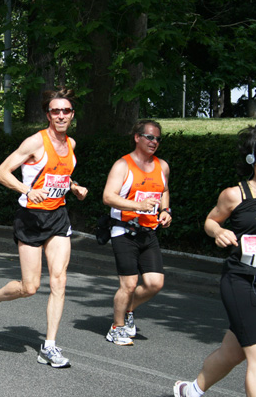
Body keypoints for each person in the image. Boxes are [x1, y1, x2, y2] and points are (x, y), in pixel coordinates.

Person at [0, 87, 88, 368]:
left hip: (58, 218)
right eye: (55, 111)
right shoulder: (35, 143)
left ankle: (49, 346)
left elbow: (59, 175)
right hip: (31, 219)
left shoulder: (71, 144)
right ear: (48, 115)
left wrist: (74, 187)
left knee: (59, 280)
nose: (61, 115)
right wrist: (26, 189)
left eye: (66, 111)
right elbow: (1, 172)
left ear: (72, 114)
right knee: (30, 286)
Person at [174, 122, 256, 397]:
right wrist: (219, 231)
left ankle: (191, 390)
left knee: (232, 353)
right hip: (243, 281)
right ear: (253, 157)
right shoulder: (234, 195)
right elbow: (210, 221)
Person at [102, 120, 171, 346]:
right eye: (150, 137)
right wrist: (136, 206)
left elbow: (164, 191)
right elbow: (108, 197)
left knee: (154, 283)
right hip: (123, 230)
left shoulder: (162, 166)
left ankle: (128, 309)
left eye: (158, 139)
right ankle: (117, 327)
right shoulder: (123, 165)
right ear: (137, 137)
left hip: (148, 231)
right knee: (129, 284)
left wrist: (165, 211)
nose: (154, 142)